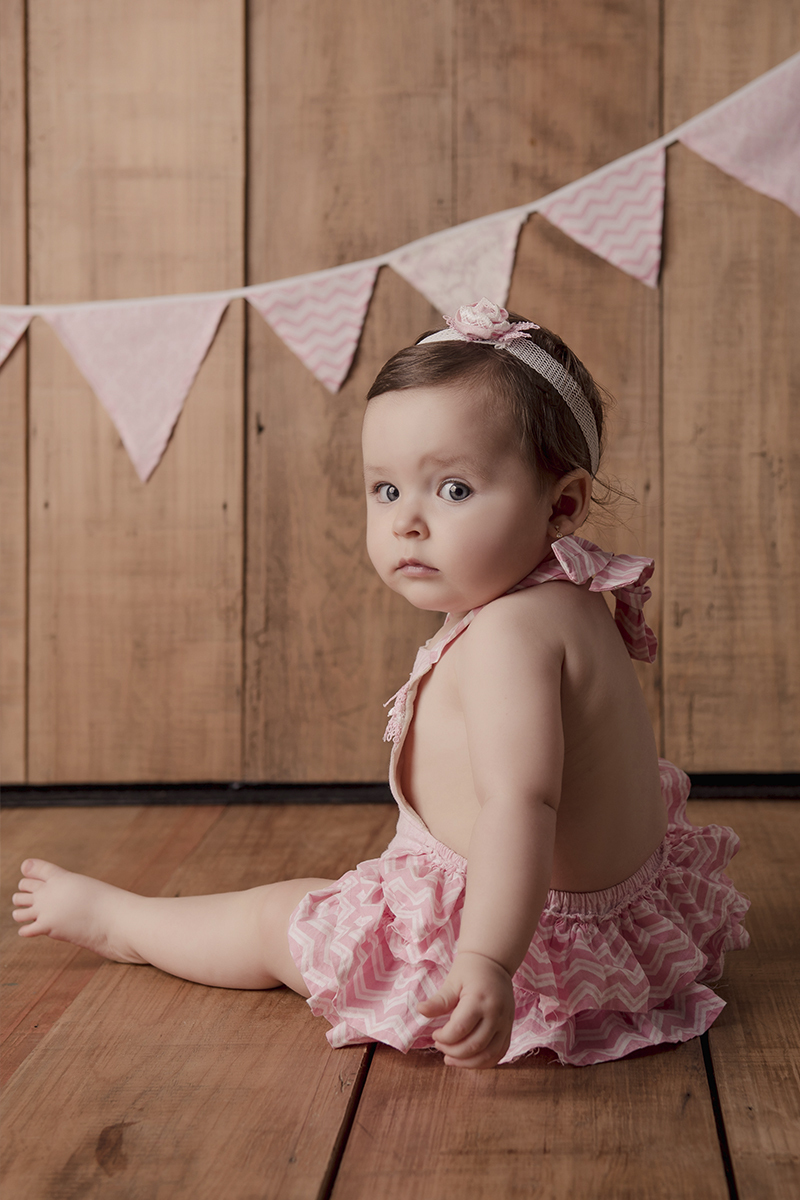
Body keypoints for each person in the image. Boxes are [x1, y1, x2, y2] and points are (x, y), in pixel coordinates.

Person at [12, 298, 749, 1069]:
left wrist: (487, 964)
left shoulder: (508, 634)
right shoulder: (564, 601)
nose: (407, 523)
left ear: (561, 503)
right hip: (623, 940)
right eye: (386, 491)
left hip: (522, 951)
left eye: (454, 490)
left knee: (275, 919)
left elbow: (521, 805)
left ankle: (120, 923)